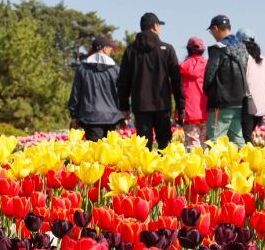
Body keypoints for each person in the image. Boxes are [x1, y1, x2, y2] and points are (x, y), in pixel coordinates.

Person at [116, 12, 184, 150]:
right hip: (162, 104)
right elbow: (176, 80)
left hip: (140, 106)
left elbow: (123, 81)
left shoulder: (131, 50)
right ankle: (163, 171)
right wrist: (180, 105)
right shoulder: (167, 49)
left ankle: (145, 172)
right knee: (164, 144)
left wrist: (123, 107)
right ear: (154, 26)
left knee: (143, 147)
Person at [203, 15, 247, 146]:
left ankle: (214, 167)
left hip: (221, 103)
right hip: (239, 101)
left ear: (215, 28)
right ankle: (246, 164)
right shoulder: (242, 48)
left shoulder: (218, 48)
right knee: (238, 139)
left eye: (211, 31)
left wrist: (208, 92)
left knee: (214, 141)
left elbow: (210, 75)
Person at [68, 36, 123, 141]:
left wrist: (74, 115)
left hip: (90, 117)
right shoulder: (115, 70)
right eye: (110, 47)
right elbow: (120, 93)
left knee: (94, 153)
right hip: (112, 117)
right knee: (110, 153)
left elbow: (76, 94)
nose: (111, 50)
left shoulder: (82, 69)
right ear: (104, 49)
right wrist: (124, 112)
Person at [235, 29, 265, 143]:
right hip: (261, 105)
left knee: (243, 140)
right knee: (247, 137)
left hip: (247, 105)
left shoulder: (244, 59)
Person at [179, 36, 208, 149]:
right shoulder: (208, 66)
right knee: (205, 144)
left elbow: (174, 88)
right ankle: (206, 166)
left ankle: (194, 166)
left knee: (192, 143)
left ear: (188, 49)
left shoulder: (182, 67)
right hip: (205, 111)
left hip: (189, 112)